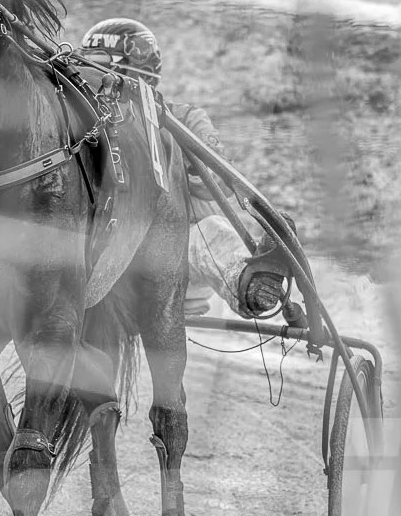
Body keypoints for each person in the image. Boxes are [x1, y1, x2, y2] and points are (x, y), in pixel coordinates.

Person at [78, 18, 301, 322]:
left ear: (137, 73)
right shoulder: (85, 121)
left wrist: (169, 158)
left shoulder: (183, 118)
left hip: (177, 255)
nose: (93, 78)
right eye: (87, 66)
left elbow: (220, 186)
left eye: (104, 68)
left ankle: (254, 285)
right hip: (106, 257)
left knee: (212, 233)